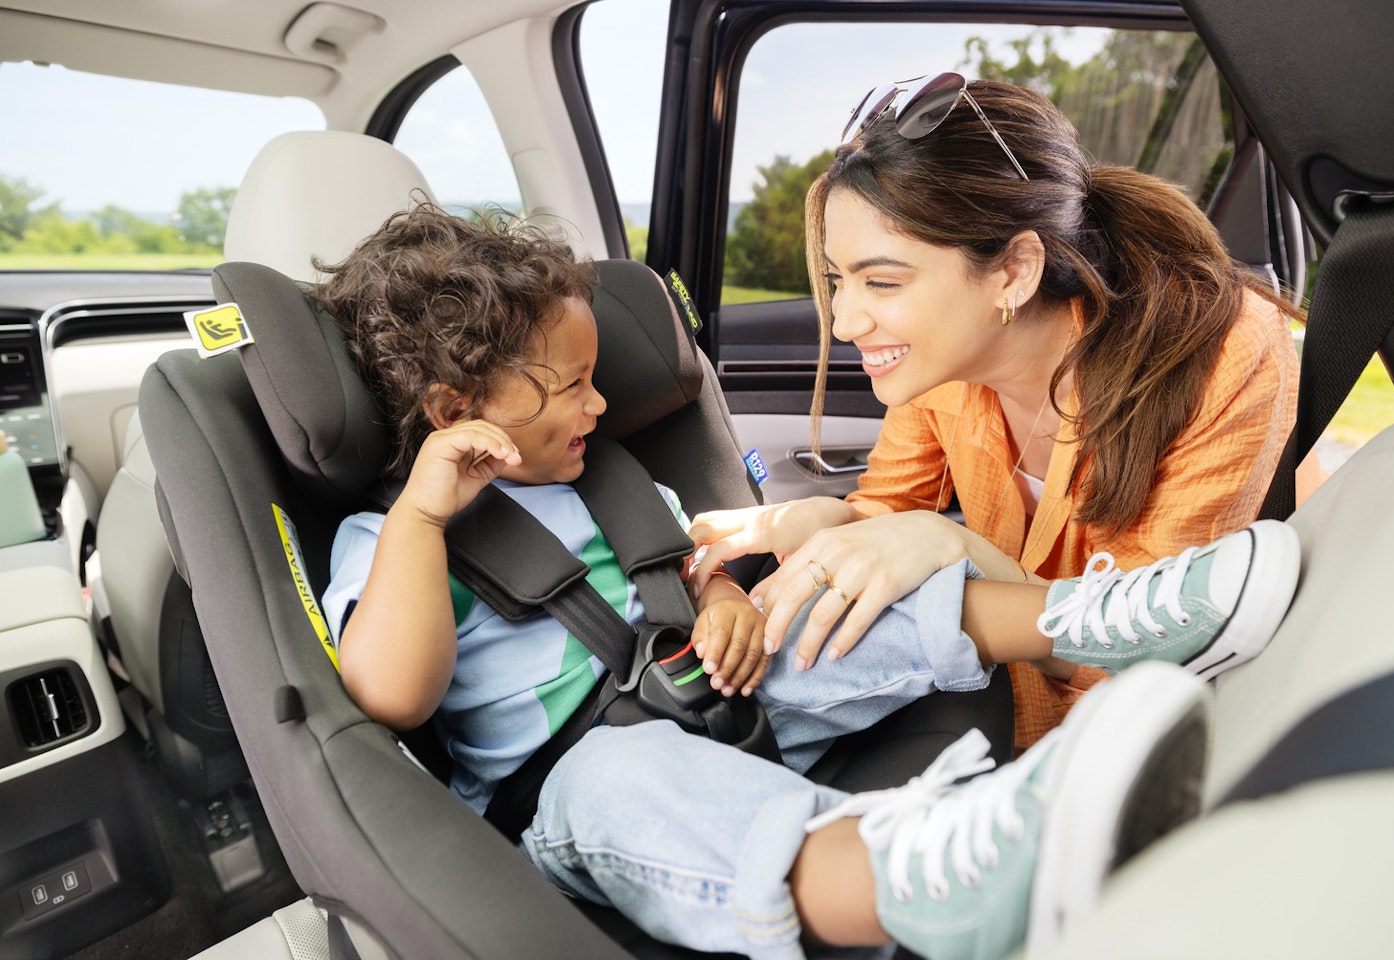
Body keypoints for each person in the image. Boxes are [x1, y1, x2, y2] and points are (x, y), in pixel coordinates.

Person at [315, 204, 1300, 959]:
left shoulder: (608, 476)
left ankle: (1100, 619)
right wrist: (422, 518)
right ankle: (923, 874)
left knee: (837, 602)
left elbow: (693, 567)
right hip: (569, 788)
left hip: (714, 685)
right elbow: (391, 693)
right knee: (636, 785)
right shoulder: (391, 537)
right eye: (572, 386)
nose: (601, 401)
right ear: (456, 409)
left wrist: (730, 601)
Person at [689, 73, 1303, 750]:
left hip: (1145, 746)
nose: (845, 323)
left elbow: (1151, 655)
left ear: (1013, 271)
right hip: (1016, 728)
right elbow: (891, 516)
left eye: (883, 282)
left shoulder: (1220, 354)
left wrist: (960, 548)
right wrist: (824, 520)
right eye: (839, 281)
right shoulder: (942, 370)